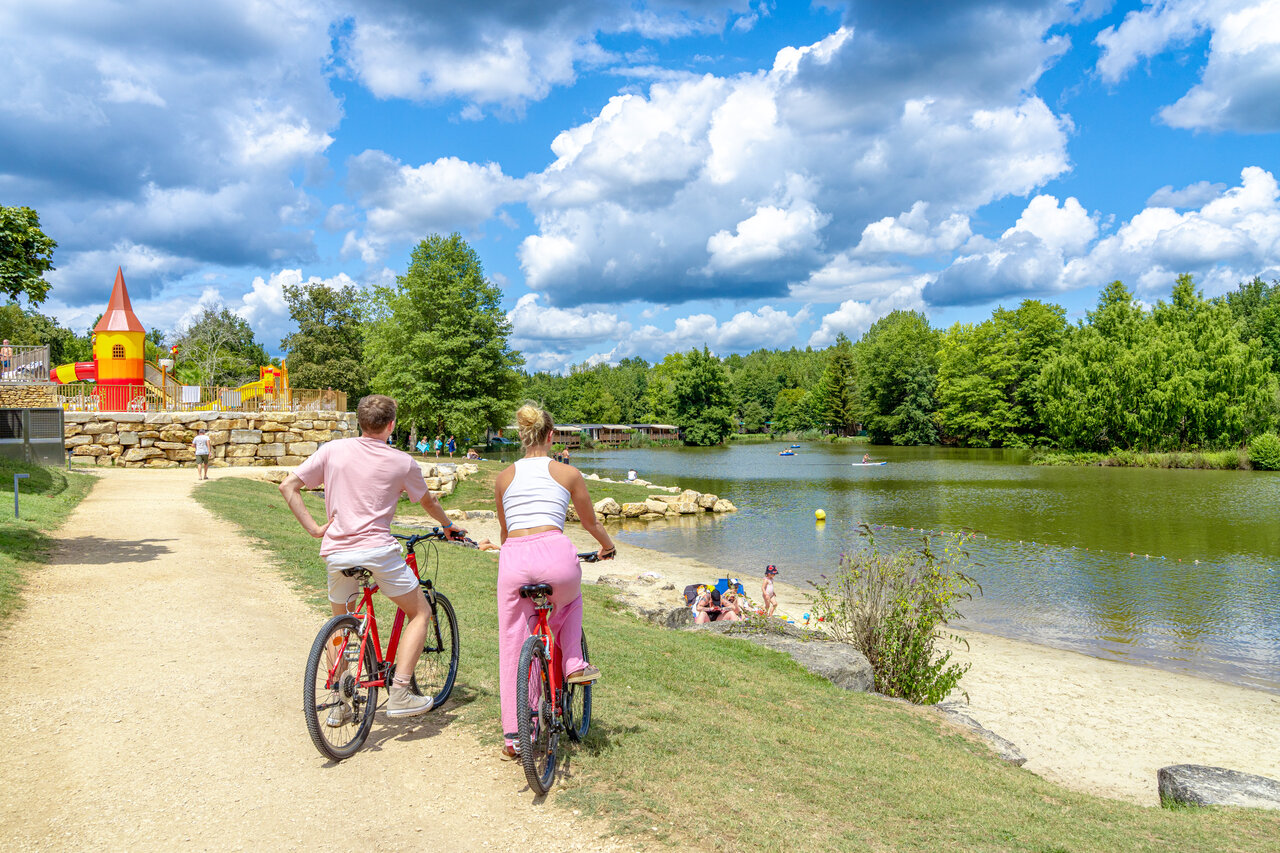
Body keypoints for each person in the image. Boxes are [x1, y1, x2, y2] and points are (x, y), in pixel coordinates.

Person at [279, 394, 468, 720]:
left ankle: (339, 704)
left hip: (337, 552)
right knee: (420, 612)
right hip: (379, 551)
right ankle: (400, 692)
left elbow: (288, 486)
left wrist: (313, 529)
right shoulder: (402, 462)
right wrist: (447, 525)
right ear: (391, 424)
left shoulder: (332, 451)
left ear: (358, 422)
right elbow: (427, 501)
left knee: (340, 625)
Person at [494, 404, 615, 760]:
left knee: (514, 643)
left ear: (521, 436)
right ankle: (574, 662)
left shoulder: (503, 477)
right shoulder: (568, 473)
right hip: (555, 555)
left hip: (514, 559)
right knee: (570, 601)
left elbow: (505, 531)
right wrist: (607, 547)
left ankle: (517, 737)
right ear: (551, 436)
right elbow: (591, 523)